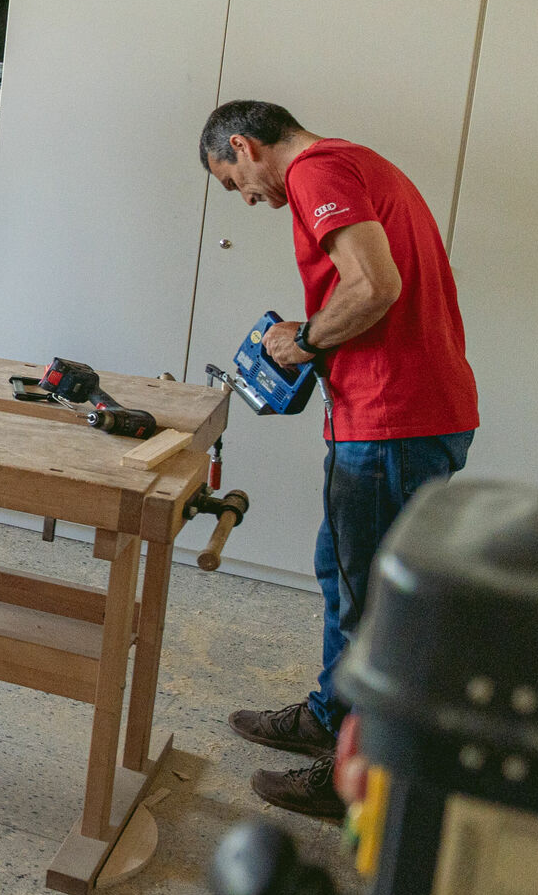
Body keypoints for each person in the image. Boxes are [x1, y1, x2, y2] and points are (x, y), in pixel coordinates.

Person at [202, 99, 478, 820]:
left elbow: (375, 286)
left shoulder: (319, 171)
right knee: (345, 572)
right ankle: (330, 716)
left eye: (234, 182)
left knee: (370, 605)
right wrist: (314, 332)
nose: (249, 199)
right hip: (404, 415)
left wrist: (309, 341)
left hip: (393, 420)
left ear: (245, 146)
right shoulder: (357, 162)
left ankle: (354, 769)